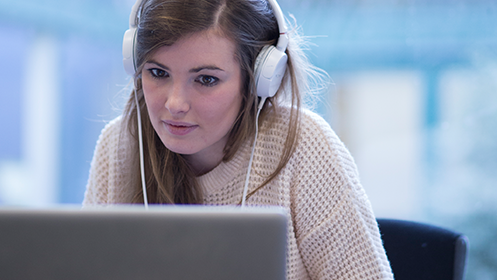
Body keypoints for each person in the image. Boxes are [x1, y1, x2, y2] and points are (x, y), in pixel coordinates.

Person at [83, 0, 394, 279]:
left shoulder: (303, 147)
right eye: (158, 73)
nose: (175, 103)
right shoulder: (120, 144)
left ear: (258, 80)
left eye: (206, 79)